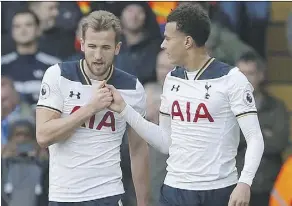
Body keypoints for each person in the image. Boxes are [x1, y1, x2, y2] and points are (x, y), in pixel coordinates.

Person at [106, 3, 264, 206]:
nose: (163, 45)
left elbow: (255, 137)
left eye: (168, 39)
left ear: (187, 41)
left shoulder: (232, 79)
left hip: (219, 190)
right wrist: (125, 110)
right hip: (175, 190)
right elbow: (165, 141)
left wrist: (244, 182)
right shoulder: (171, 79)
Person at [35, 10, 149, 206]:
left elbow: (138, 149)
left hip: (109, 194)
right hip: (65, 196)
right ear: (82, 44)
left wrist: (144, 203)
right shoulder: (58, 75)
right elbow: (43, 136)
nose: (97, 56)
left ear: (117, 48)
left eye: (105, 47)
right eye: (92, 46)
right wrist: (90, 108)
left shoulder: (132, 87)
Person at [236, 51, 290, 206]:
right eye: (241, 74)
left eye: (250, 73)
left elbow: (279, 142)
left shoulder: (276, 107)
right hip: (234, 186)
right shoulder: (225, 107)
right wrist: (261, 134)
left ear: (260, 75)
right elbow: (223, 140)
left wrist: (243, 136)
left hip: (266, 186)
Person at [1, 9, 61, 106]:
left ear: (38, 30)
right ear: (12, 31)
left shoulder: (54, 66)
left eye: (28, 25)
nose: (23, 30)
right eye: (17, 26)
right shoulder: (2, 65)